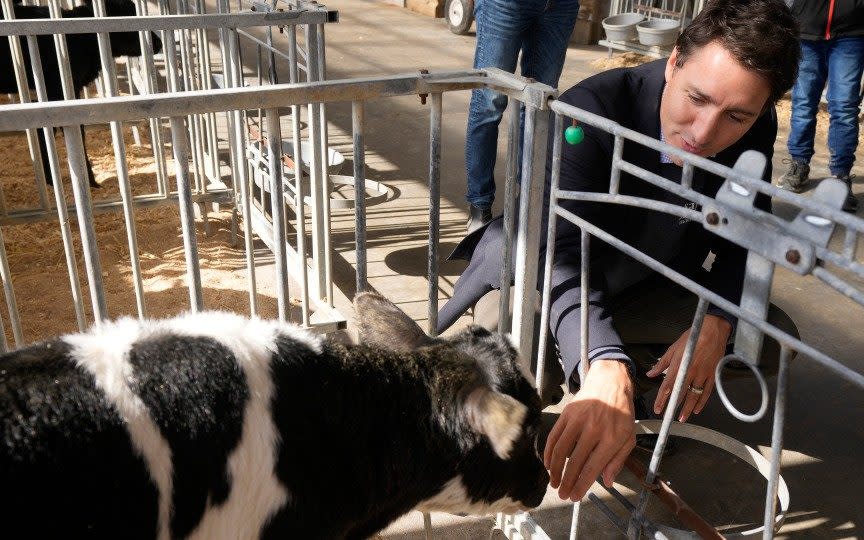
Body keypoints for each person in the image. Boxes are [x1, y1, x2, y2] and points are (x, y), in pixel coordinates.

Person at [438, 0, 801, 503]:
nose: (703, 133)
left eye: (737, 116)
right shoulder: (592, 109)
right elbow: (559, 252)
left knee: (769, 333)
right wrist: (603, 360)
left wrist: (715, 319)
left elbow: (745, 233)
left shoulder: (755, 128)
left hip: (649, 275)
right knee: (510, 363)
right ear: (673, 62)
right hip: (549, 269)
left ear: (763, 110)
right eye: (696, 98)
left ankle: (635, 391)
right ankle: (595, 383)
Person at [464, 0, 581, 232]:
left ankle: (523, 206)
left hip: (559, 6)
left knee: (538, 107)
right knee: (489, 103)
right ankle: (480, 207)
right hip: (505, 4)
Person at [778, 1, 864, 212]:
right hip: (807, 28)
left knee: (844, 108)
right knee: (803, 104)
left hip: (852, 32)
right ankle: (798, 164)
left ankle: (840, 177)